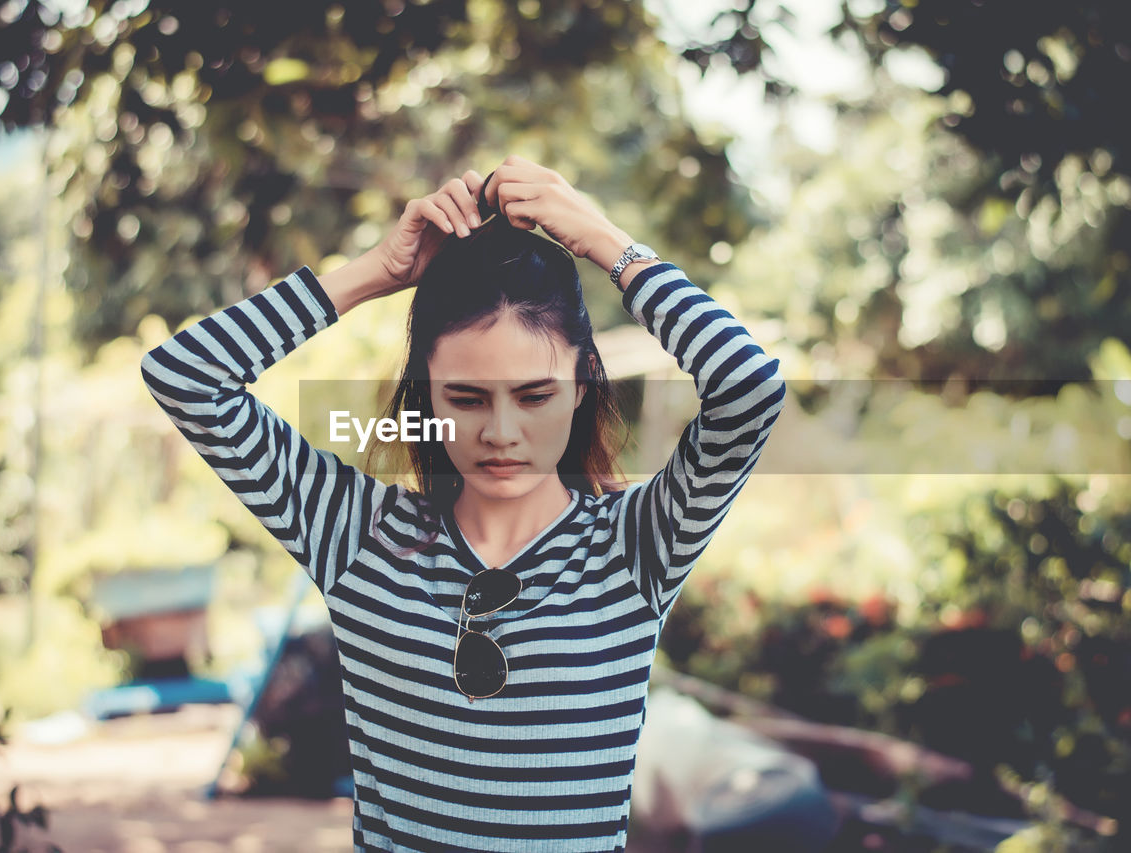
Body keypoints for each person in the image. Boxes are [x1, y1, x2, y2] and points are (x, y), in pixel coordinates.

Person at [141, 155, 786, 852]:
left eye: (534, 395)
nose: (500, 433)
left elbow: (748, 388)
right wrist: (379, 271)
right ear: (426, 395)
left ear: (582, 386)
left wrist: (607, 243)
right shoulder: (358, 535)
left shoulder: (634, 549)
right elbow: (185, 376)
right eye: (467, 398)